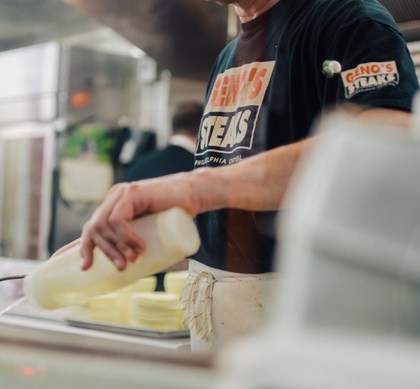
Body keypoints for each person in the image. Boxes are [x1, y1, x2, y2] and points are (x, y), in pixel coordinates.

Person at [69, 0, 420, 352]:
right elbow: (227, 201)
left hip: (302, 321)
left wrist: (192, 187)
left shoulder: (349, 20)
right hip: (216, 315)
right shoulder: (228, 56)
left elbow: (384, 145)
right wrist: (141, 240)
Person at [123, 101, 204, 290]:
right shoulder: (200, 171)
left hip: (134, 277)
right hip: (180, 281)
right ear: (203, 131)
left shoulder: (139, 164)